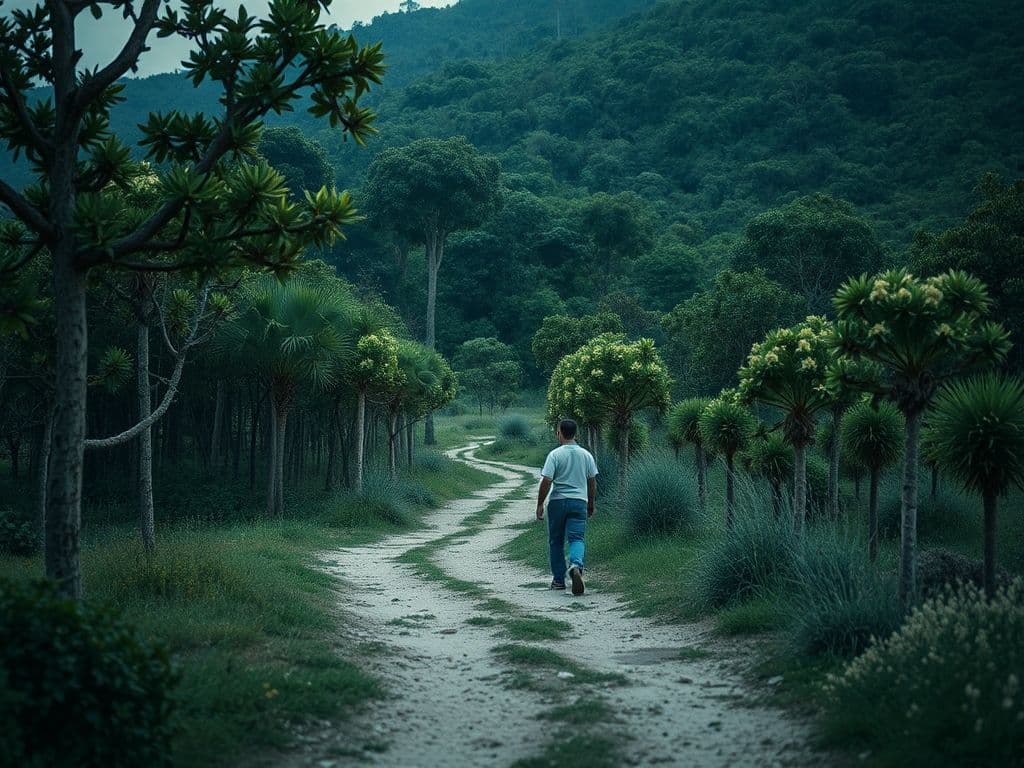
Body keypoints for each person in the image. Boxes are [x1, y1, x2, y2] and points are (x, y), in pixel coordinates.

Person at [536, 419, 598, 596]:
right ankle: (576, 565)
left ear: (559, 433)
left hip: (557, 502)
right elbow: (592, 481)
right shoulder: (586, 455)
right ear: (575, 434)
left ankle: (558, 581)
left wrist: (540, 503)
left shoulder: (555, 455)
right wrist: (591, 503)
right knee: (577, 538)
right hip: (579, 502)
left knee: (556, 541)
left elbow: (547, 480)